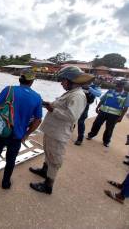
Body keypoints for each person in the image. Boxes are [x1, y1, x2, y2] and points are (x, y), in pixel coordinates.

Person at [30, 66, 94, 194]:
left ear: (70, 80)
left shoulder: (78, 96)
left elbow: (71, 116)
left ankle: (48, 185)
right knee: (49, 152)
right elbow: (63, 107)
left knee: (55, 158)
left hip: (59, 133)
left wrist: (52, 109)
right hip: (53, 130)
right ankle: (44, 170)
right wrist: (49, 104)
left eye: (63, 80)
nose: (61, 83)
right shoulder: (71, 92)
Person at [0, 69, 42, 189]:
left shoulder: (9, 90)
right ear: (31, 82)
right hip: (18, 135)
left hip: (2, 131)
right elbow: (37, 120)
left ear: (20, 79)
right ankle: (6, 182)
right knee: (11, 159)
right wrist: (27, 134)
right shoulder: (37, 97)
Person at [87, 81, 129, 147]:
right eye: (116, 86)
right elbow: (102, 100)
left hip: (114, 115)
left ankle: (106, 141)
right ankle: (91, 135)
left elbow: (126, 107)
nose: (117, 88)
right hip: (103, 112)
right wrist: (97, 107)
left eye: (118, 87)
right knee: (96, 124)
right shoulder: (110, 91)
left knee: (109, 128)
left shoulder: (126, 95)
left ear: (122, 87)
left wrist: (121, 117)